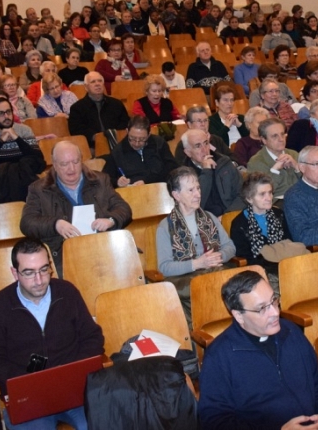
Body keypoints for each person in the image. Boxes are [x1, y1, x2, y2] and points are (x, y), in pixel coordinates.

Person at [0, 237, 104, 429]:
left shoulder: (67, 292)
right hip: (29, 397)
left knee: (101, 423)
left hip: (73, 390)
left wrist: (71, 371)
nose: (39, 280)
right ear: (15, 273)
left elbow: (92, 337)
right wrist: (28, 380)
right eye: (29, 273)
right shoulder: (0, 305)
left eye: (44, 269)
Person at [198, 270, 318, 430]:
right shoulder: (218, 357)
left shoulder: (291, 331)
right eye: (262, 308)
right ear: (239, 315)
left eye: (274, 301)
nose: (275, 312)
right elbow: (215, 421)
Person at [20, 141, 132, 276]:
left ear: (82, 160)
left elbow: (124, 209)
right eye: (64, 164)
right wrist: (55, 224)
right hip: (63, 257)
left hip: (103, 249)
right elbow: (27, 223)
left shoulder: (100, 180)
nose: (71, 169)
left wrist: (110, 220)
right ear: (54, 165)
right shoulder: (39, 189)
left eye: (76, 162)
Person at [155, 167, 236, 316]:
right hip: (184, 282)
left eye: (198, 188)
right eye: (191, 190)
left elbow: (230, 247)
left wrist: (219, 256)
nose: (198, 194)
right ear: (176, 195)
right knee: (212, 286)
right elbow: (165, 267)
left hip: (213, 272)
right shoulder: (165, 227)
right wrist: (198, 264)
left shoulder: (209, 217)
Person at [0, 96, 45, 202]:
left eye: (8, 112)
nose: (6, 116)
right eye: (1, 113)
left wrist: (17, 138)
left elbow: (39, 160)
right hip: (0, 185)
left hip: (26, 181)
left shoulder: (24, 130)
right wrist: (0, 141)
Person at [180, 129, 244, 215]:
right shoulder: (183, 176)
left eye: (206, 143)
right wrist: (206, 172)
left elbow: (243, 194)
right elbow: (193, 206)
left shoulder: (224, 163)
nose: (204, 149)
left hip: (230, 215)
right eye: (198, 146)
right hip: (204, 221)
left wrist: (227, 216)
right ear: (188, 152)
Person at [104, 115, 178, 187]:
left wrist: (146, 181)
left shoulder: (159, 143)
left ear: (149, 135)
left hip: (159, 188)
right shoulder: (117, 151)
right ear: (127, 131)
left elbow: (172, 167)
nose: (136, 143)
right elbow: (105, 178)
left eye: (142, 139)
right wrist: (117, 182)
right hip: (132, 192)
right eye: (132, 138)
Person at [68, 72, 130, 150]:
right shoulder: (77, 108)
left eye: (100, 81)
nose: (97, 84)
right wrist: (95, 137)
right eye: (93, 82)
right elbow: (76, 129)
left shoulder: (116, 104)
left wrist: (114, 134)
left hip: (118, 143)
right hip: (91, 146)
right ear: (86, 87)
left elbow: (125, 122)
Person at [247, 118, 299, 201]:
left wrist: (297, 166)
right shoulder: (256, 162)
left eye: (282, 134)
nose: (281, 139)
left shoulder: (294, 154)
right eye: (275, 136)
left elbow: (310, 182)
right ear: (264, 140)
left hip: (302, 200)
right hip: (276, 205)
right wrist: (275, 171)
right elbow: (260, 195)